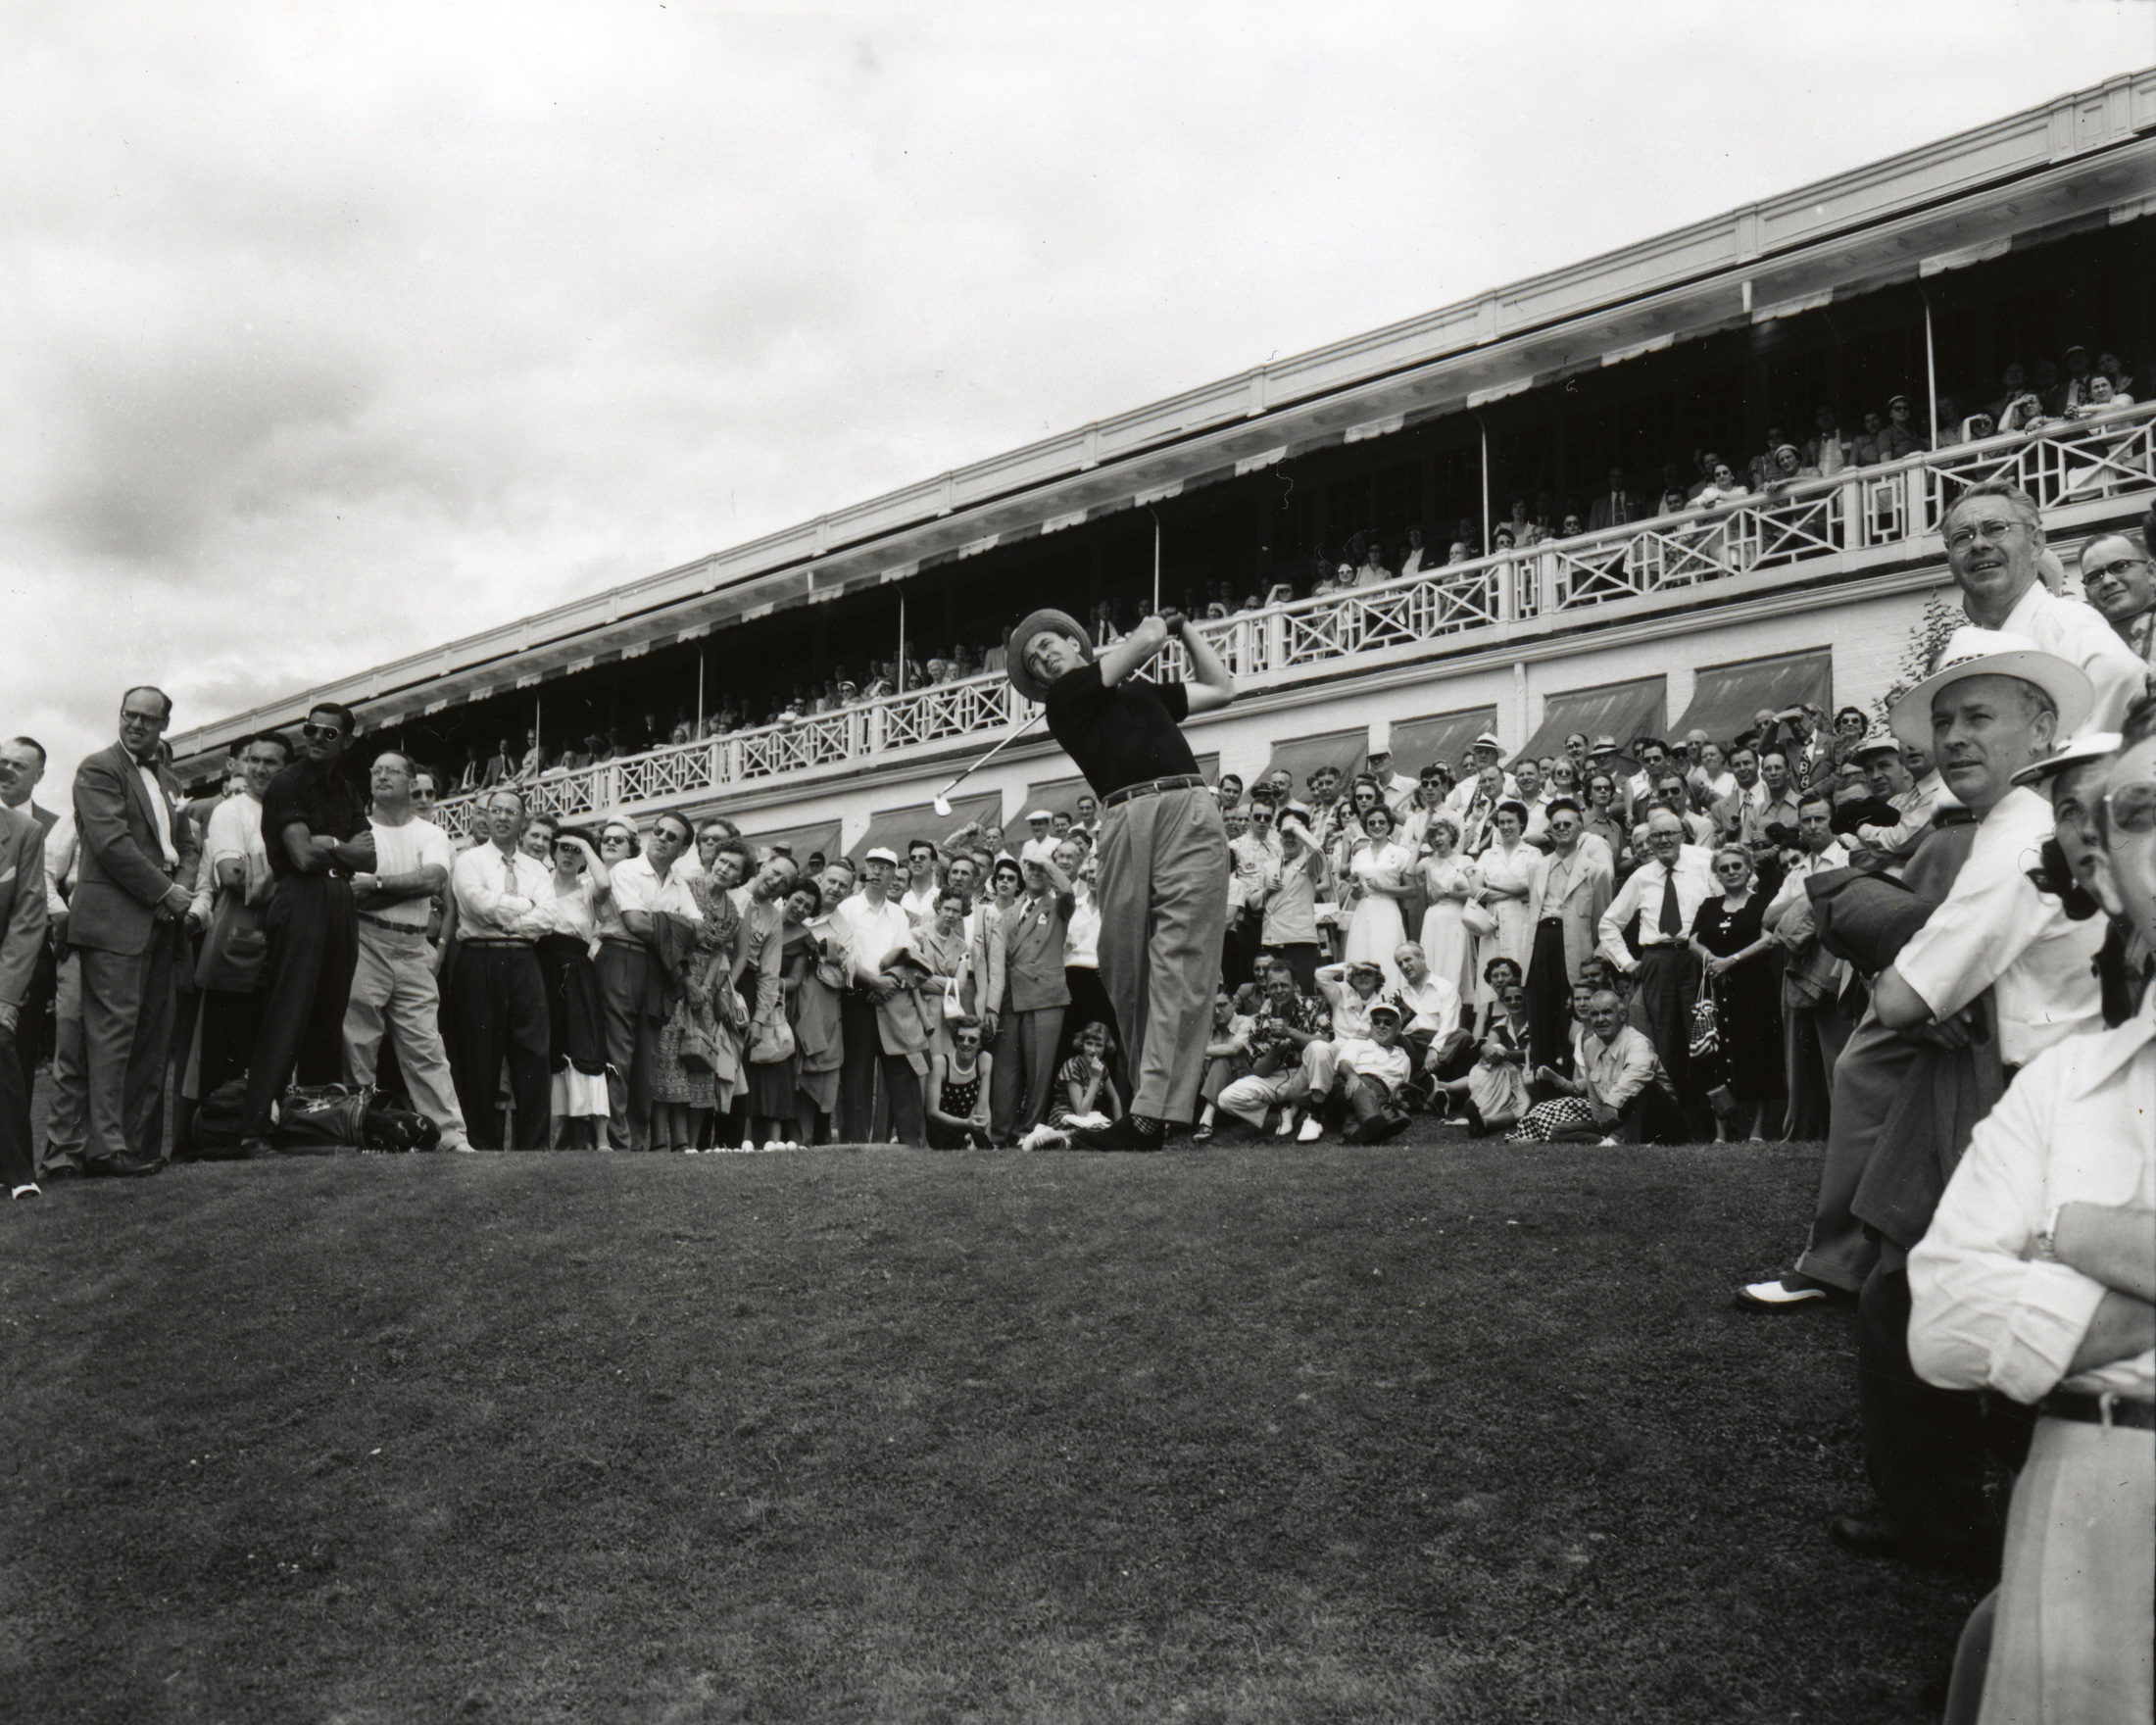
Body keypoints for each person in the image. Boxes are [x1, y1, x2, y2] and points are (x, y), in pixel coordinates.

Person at [1909, 711, 2154, 1725]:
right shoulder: (2058, 1089)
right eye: (2145, 814)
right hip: (2086, 1492)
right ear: (2101, 871)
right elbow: (1946, 1322)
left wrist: (2079, 1235)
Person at [67, 687, 200, 1175]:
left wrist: (179, 891)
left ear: (165, 724)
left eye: (148, 719)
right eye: (129, 715)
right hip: (115, 923)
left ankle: (136, 1147)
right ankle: (105, 1149)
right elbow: (112, 844)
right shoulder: (99, 768)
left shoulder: (168, 778)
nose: (136, 725)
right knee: (112, 1039)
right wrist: (166, 893)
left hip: (163, 924)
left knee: (151, 1038)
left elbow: (186, 846)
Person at [237, 702, 373, 1157]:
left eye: (328, 734)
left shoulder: (348, 791)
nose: (316, 738)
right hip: (301, 899)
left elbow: (371, 858)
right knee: (288, 1011)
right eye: (311, 730)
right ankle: (253, 1129)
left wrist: (330, 843)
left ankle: (313, 1128)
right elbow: (302, 857)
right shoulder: (287, 783)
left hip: (340, 902)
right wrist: (343, 849)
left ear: (347, 741)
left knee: (328, 1016)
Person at [342, 751, 469, 1153]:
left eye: (392, 771)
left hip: (415, 946)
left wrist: (378, 885)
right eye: (376, 769)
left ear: (412, 782)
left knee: (427, 1048)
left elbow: (432, 880)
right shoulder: (357, 831)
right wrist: (405, 885)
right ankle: (356, 1131)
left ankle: (451, 1138)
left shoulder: (431, 833)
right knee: (358, 1042)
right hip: (365, 941)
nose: (382, 776)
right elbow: (351, 897)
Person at [1943, 480, 2143, 731]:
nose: (1979, 544)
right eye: (1962, 537)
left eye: (1996, 529)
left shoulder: (2065, 624)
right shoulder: (1971, 650)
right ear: (1950, 559)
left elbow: (2129, 687)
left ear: (2035, 543)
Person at [445, 790, 555, 1150]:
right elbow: (476, 905)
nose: (503, 817)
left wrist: (509, 920)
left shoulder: (538, 868)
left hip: (524, 961)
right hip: (479, 958)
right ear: (486, 817)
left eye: (512, 812)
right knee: (478, 1054)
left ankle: (534, 1146)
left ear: (523, 821)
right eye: (496, 811)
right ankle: (481, 1143)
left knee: (533, 1052)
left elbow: (548, 918)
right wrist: (524, 907)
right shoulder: (469, 860)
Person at [188, 730, 288, 1110]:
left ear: (286, 768)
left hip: (281, 944)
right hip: (237, 943)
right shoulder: (231, 810)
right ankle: (219, 1135)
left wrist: (263, 870)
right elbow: (231, 875)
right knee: (227, 1050)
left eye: (271, 762)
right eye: (254, 760)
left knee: (271, 1046)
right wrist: (295, 869)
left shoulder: (295, 809)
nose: (260, 769)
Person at [1596, 811, 1714, 1114]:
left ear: (1682, 837)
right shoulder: (1642, 876)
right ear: (1648, 842)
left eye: (1668, 834)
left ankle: (1708, 1118)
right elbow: (1608, 923)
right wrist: (1628, 963)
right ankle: (1672, 1117)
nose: (1662, 840)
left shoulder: (1704, 866)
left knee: (1701, 1035)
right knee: (1664, 1039)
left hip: (1695, 958)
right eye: (1656, 836)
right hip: (1656, 961)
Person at [1765, 793, 1856, 1142]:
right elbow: (1769, 917)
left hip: (1837, 966)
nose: (1814, 826)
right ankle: (1801, 1132)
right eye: (1807, 820)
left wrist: (1804, 906)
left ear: (1832, 820)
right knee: (1798, 1057)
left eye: (1820, 818)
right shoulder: (1799, 870)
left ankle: (1844, 1133)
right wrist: (1814, 894)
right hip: (1798, 967)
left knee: (1838, 1053)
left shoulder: (1850, 857)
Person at [523, 822, 612, 1149]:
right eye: (565, 847)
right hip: (540, 966)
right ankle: (552, 1136)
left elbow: (605, 881)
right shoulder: (538, 883)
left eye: (578, 851)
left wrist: (585, 844)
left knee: (584, 1045)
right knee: (547, 1047)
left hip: (576, 970)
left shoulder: (589, 888)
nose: (570, 855)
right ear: (554, 850)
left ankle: (601, 1140)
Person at [1685, 845, 1781, 1141]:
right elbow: (1692, 941)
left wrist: (1732, 961)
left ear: (1749, 869)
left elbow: (1769, 940)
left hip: (1753, 991)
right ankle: (1721, 1132)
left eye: (1737, 866)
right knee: (1716, 1057)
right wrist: (1711, 959)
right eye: (1724, 868)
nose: (1731, 872)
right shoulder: (1710, 905)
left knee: (1758, 1056)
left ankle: (1756, 1130)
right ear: (1717, 874)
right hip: (1716, 990)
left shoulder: (1763, 902)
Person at [835, 847, 923, 1146]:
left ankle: (912, 1143)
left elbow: (907, 953)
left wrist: (888, 981)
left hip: (890, 997)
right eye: (872, 865)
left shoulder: (898, 913)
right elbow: (839, 954)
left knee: (900, 1070)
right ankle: (856, 1143)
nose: (876, 871)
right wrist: (872, 982)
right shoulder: (846, 908)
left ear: (893, 876)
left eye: (884, 867)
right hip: (857, 996)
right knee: (857, 1074)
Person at [988, 848, 1073, 1145]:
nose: (1036, 873)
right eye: (1031, 868)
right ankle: (1000, 1133)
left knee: (1038, 1072)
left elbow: (1068, 889)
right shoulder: (1010, 911)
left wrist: (1048, 862)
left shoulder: (1058, 905)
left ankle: (1028, 1132)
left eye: (1041, 869)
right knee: (1006, 1071)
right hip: (1011, 998)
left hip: (1044, 997)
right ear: (1023, 872)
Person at [1523, 798, 1613, 1073]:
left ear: (1580, 828)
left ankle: (1572, 1089)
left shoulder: (1595, 871)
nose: (1562, 829)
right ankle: (1543, 1095)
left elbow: (1601, 920)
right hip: (1541, 941)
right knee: (1540, 1016)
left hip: (1574, 947)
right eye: (1556, 825)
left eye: (1568, 824)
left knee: (1572, 1015)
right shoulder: (1537, 867)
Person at [1535, 988, 1690, 1144]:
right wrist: (1601, 1121)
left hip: (1660, 1120)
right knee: (1558, 1131)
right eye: (1595, 1014)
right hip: (1621, 1119)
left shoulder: (1637, 1042)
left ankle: (1616, 1140)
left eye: (1607, 1012)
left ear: (1622, 1015)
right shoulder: (1589, 1046)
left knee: (1645, 1087)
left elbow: (1638, 1072)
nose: (1600, 1019)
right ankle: (1613, 1139)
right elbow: (1594, 1096)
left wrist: (1611, 1104)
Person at [589, 819, 650, 1150]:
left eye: (619, 840)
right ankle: (617, 1137)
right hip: (612, 957)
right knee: (617, 1052)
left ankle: (637, 1137)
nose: (610, 843)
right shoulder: (595, 879)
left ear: (632, 847)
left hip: (645, 960)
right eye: (606, 839)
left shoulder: (641, 876)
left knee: (642, 1054)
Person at [0, 792, 48, 1197]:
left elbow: (28, 920)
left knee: (0, 1041)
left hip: (2, 972)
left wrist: (5, 999)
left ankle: (18, 1175)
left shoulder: (25, 832)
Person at [791, 867, 854, 1144]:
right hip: (783, 998)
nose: (836, 888)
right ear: (820, 880)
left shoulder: (844, 928)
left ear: (849, 892)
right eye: (832, 881)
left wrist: (829, 954)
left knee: (818, 1065)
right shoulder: (796, 907)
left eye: (844, 885)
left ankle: (814, 1137)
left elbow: (848, 973)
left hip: (819, 1002)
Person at [1341, 805, 1413, 994]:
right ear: (1366, 827)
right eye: (1372, 823)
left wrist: (1384, 888)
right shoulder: (1359, 855)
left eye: (1382, 822)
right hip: (1364, 912)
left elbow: (1413, 890)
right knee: (1362, 954)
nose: (1377, 826)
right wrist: (1356, 891)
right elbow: (1356, 890)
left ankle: (1390, 1001)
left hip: (1388, 911)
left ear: (1389, 825)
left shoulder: (1400, 853)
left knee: (1386, 955)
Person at [1413, 813, 1477, 1004]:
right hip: (1433, 918)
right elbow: (1408, 872)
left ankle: (1455, 1010)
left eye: (1441, 834)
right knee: (1434, 961)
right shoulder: (1428, 861)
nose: (1437, 839)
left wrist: (1446, 894)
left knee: (1455, 963)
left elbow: (1474, 892)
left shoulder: (1464, 861)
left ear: (1451, 835)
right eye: (1432, 836)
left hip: (1457, 917)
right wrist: (1419, 843)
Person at [2078, 529, 2155, 683]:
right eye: (2095, 577)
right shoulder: (2084, 654)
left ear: (2151, 572)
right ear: (2088, 595)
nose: (2107, 581)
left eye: (2120, 566)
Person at [923, 1014, 994, 1148]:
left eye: (972, 1040)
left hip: (967, 1125)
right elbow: (932, 1113)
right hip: (941, 1126)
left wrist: (985, 1139)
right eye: (960, 1038)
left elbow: (983, 1107)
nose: (965, 1043)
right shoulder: (940, 1062)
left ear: (981, 1044)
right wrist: (966, 1123)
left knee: (984, 1146)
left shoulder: (985, 1060)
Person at [1047, 1019, 1120, 1131]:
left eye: (1099, 1045)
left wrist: (1119, 1128)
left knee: (1107, 1132)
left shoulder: (1101, 1066)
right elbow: (1081, 1111)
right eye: (1089, 1043)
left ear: (1106, 1047)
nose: (1093, 1050)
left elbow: (1114, 1098)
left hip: (1087, 1116)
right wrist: (1095, 1078)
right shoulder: (1073, 1066)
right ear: (1082, 1044)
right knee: (1088, 1134)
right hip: (1064, 1115)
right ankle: (1045, 1135)